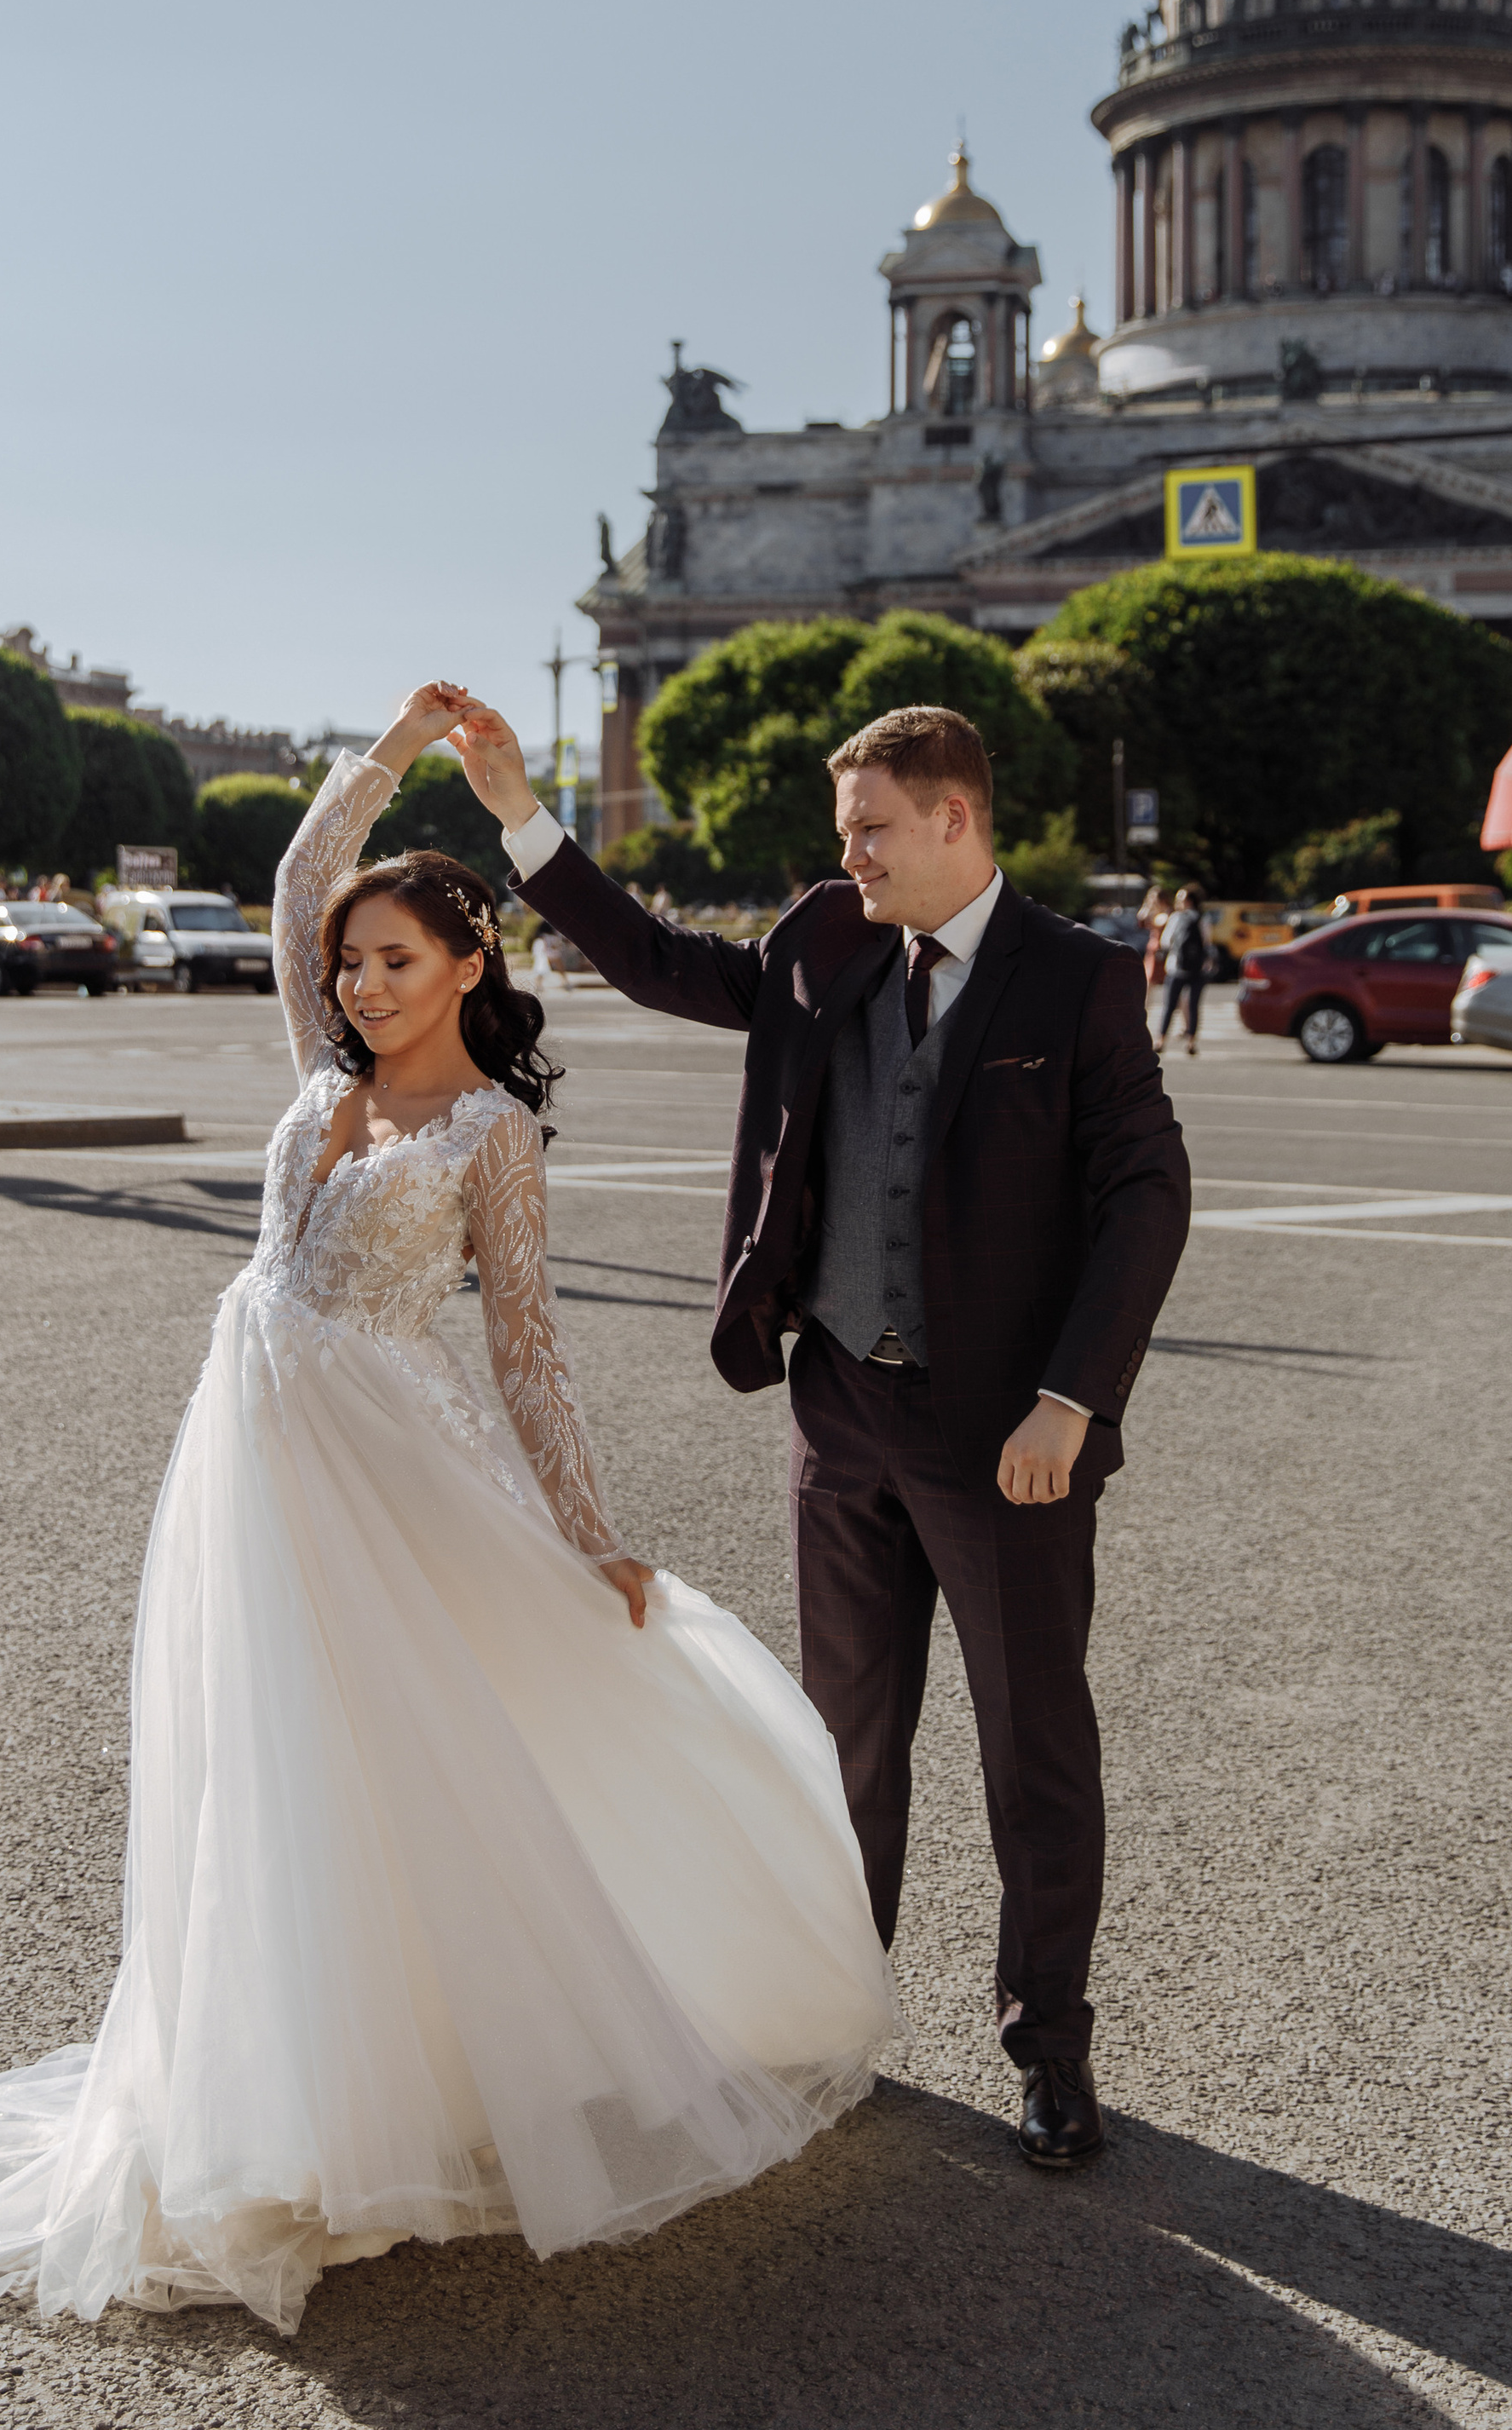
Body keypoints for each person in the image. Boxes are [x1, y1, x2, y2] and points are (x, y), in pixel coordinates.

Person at [0, 682, 895, 2337]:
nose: (357, 982)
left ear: (470, 967)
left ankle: (415, 2093)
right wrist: (385, 758)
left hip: (380, 1459)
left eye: (394, 962)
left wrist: (584, 1532)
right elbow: (296, 887)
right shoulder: (320, 1061)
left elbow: (530, 1355)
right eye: (351, 966)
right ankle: (278, 2092)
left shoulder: (492, 1132)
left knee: (398, 1761)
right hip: (252, 1459)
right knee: (262, 1766)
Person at [455, 697, 1189, 2168]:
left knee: (1032, 1750)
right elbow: (663, 962)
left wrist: (1070, 1397)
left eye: (869, 830)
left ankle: (1050, 2048)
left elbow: (1146, 1200)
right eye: (843, 830)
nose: (845, 854)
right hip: (843, 1409)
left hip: (1008, 1437)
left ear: (954, 820)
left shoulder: (1083, 985)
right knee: (847, 1747)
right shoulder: (826, 940)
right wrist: (524, 816)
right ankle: (836, 2019)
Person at [1155, 887, 1210, 1060]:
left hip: (1175, 967)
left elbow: (1165, 941)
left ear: (1188, 901)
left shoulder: (1176, 918)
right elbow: (1207, 941)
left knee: (1169, 1005)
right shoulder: (1202, 918)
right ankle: (1191, 1042)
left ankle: (1161, 1040)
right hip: (1197, 968)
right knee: (1194, 1006)